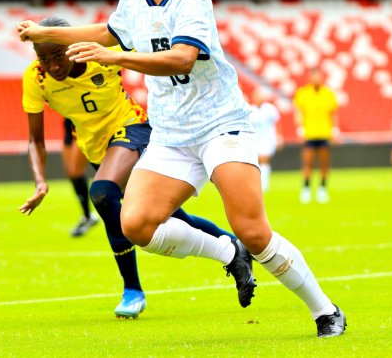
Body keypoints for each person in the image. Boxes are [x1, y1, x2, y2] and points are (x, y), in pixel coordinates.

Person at [17, 0, 346, 338]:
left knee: (254, 228)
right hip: (171, 133)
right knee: (134, 225)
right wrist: (44, 33)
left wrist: (117, 58)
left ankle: (324, 310)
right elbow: (110, 32)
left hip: (218, 125)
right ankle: (228, 251)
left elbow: (182, 58)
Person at [18, 16, 239, 319]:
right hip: (97, 149)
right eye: (44, 58)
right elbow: (35, 139)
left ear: (72, 44)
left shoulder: (100, 54)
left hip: (132, 127)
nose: (53, 65)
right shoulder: (36, 78)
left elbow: (148, 49)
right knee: (170, 215)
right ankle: (235, 246)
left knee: (103, 193)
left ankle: (132, 290)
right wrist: (40, 181)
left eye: (58, 55)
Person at [293, 68, 339, 204]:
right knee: (308, 163)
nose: (317, 80)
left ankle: (322, 189)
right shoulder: (303, 93)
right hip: (310, 133)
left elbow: (333, 113)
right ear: (310, 79)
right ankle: (306, 189)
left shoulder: (328, 93)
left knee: (324, 163)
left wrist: (334, 129)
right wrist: (300, 128)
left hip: (324, 133)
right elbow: (298, 112)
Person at [62, 118, 100, 237]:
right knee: (72, 173)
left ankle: (130, 211)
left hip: (82, 123)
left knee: (75, 171)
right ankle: (87, 216)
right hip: (69, 123)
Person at [249, 87, 283, 192]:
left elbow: (277, 123)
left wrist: (279, 137)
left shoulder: (270, 109)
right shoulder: (250, 110)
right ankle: (257, 183)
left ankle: (264, 184)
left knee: (264, 159)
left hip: (268, 139)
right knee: (256, 161)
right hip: (255, 139)